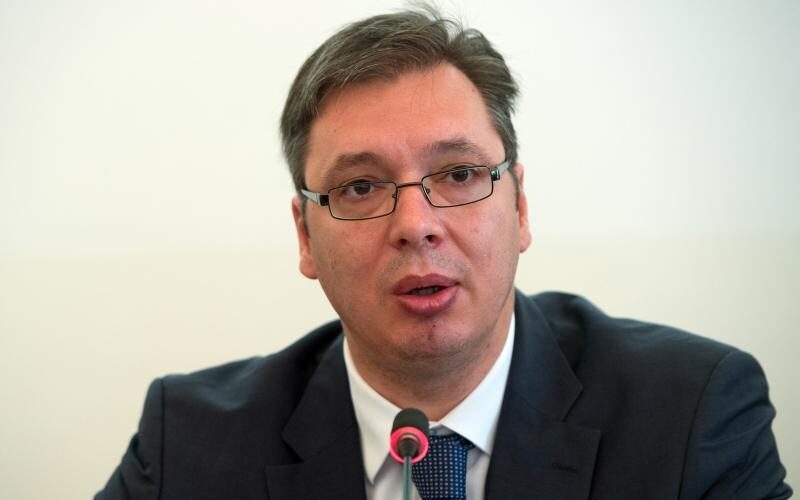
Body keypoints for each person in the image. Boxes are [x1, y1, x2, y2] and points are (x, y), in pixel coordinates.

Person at [96, 6, 791, 500]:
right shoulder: (188, 445)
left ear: (519, 206)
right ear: (305, 236)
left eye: (458, 174)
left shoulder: (691, 413)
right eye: (361, 187)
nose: (416, 225)